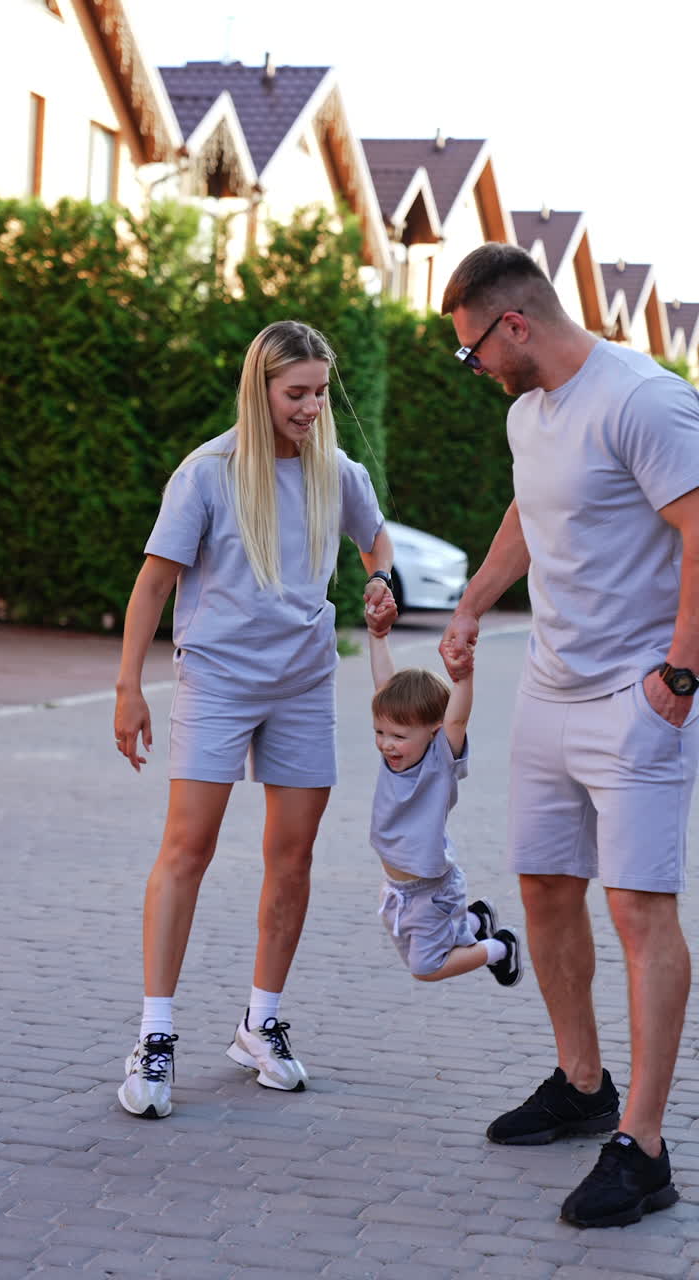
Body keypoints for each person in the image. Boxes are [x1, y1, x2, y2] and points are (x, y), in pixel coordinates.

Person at [439, 242, 699, 1229]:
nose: (473, 371)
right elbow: (532, 511)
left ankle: (645, 1143)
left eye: (472, 352)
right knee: (546, 887)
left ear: (514, 324)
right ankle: (583, 1082)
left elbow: (698, 530)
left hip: (640, 695)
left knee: (640, 912)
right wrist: (472, 601)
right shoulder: (530, 412)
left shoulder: (644, 400)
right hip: (548, 688)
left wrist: (680, 673)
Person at [114, 319, 397, 1119]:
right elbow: (152, 586)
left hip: (305, 686)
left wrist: (380, 583)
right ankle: (156, 1034)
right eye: (295, 393)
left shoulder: (336, 472)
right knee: (187, 850)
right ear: (261, 388)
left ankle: (260, 1023)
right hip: (217, 683)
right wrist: (128, 688)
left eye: (318, 392)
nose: (311, 407)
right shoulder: (207, 473)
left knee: (293, 856)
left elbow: (377, 543)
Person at [368, 622, 522, 988]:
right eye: (380, 732)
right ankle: (474, 922)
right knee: (423, 950)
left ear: (434, 732)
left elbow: (458, 717)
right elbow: (384, 688)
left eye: (399, 737)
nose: (387, 744)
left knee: (426, 967)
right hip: (397, 889)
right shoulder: (396, 758)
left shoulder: (438, 763)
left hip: (430, 892)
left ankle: (499, 947)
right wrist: (377, 637)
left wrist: (463, 679)